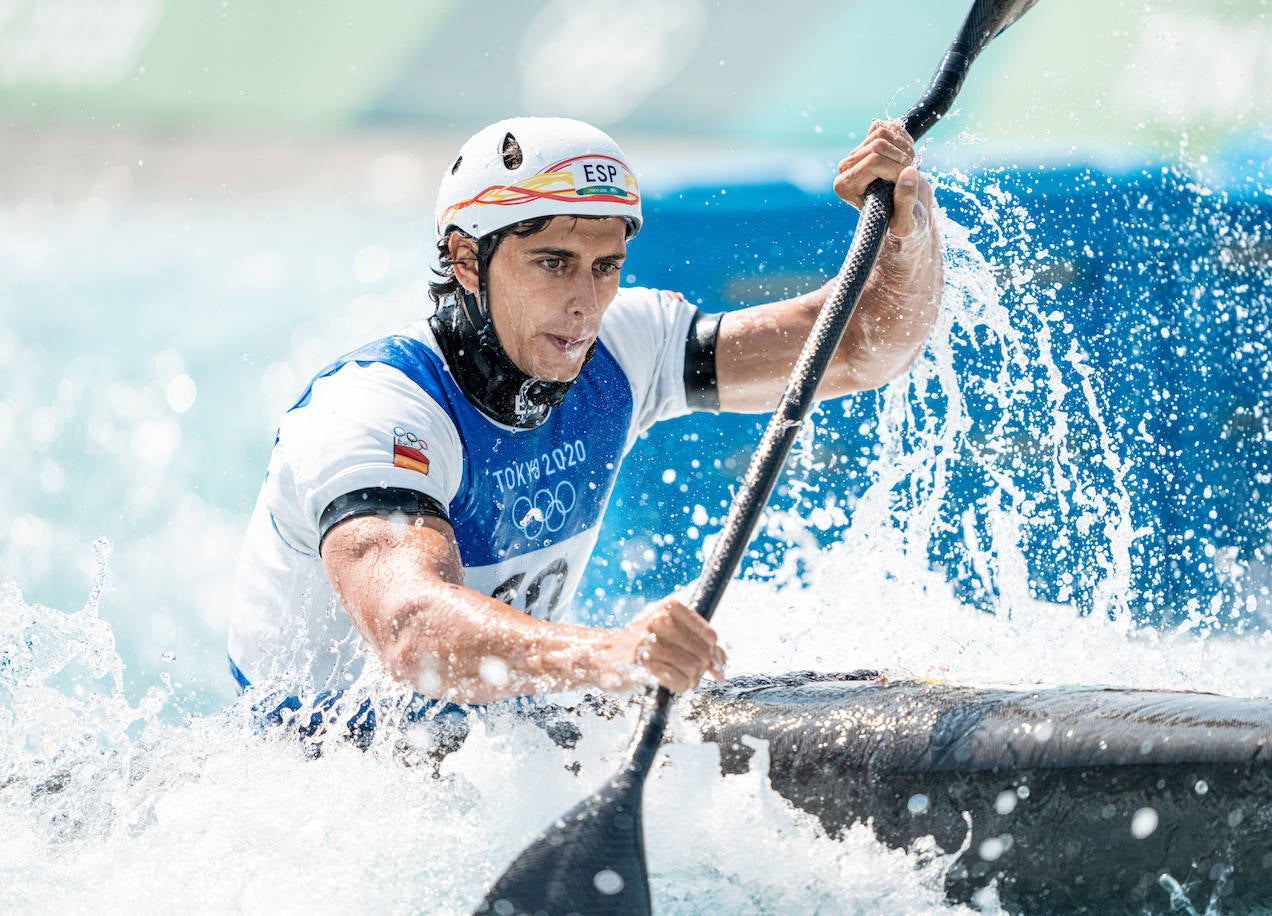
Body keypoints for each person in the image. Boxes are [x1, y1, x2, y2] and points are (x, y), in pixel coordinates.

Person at [228, 115, 943, 710]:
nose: (586, 302)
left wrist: (906, 225)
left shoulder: (625, 346)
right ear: (467, 260)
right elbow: (413, 634)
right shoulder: (375, 413)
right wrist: (611, 653)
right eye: (553, 263)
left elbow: (862, 348)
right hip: (320, 785)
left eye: (605, 266)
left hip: (490, 739)